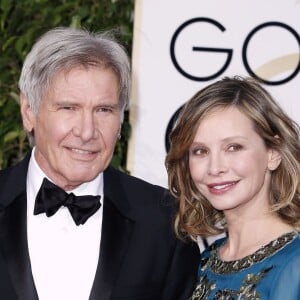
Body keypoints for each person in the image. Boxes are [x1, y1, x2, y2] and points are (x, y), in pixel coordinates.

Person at [0, 27, 199, 300]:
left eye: (104, 110)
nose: (87, 131)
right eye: (69, 108)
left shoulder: (164, 221)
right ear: (29, 112)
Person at [166, 76, 300, 299]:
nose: (215, 168)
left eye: (233, 147)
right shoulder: (201, 263)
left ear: (273, 153)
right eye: (200, 151)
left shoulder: (295, 263)